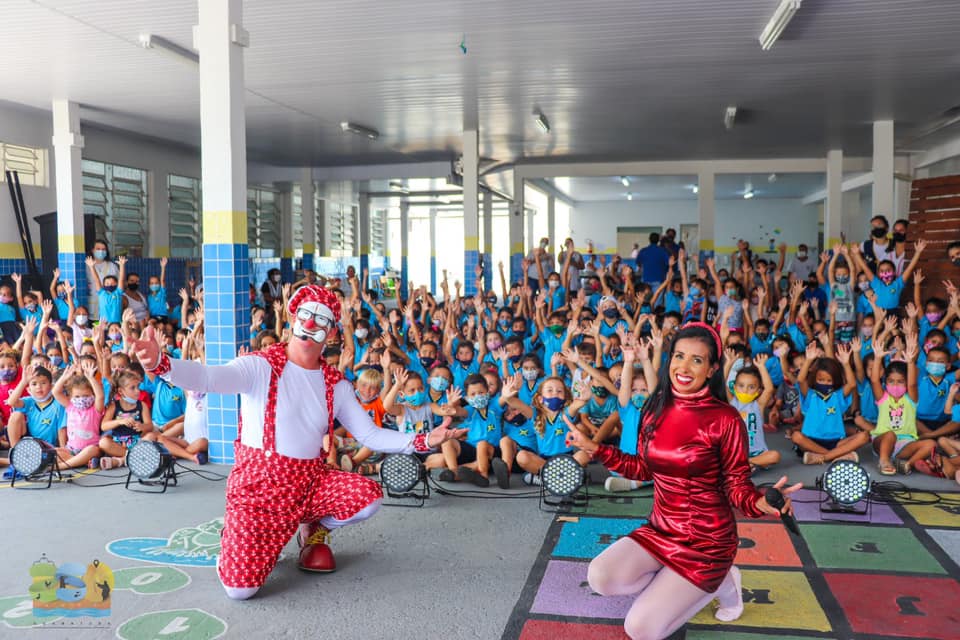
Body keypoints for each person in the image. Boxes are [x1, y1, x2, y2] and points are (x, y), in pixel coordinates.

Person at [130, 285, 466, 600]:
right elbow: (208, 377)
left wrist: (423, 440)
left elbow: (370, 435)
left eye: (321, 319)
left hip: (308, 484)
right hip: (258, 491)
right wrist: (163, 364)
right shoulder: (259, 366)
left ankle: (312, 527)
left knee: (367, 498)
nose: (310, 323)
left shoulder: (337, 385)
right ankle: (238, 537)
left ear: (332, 331)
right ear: (292, 319)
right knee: (240, 590)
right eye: (305, 314)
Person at [566, 323, 799, 640]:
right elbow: (644, 469)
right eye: (678, 356)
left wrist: (760, 502)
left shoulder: (726, 418)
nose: (684, 367)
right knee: (601, 577)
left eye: (697, 360)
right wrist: (597, 449)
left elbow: (737, 485)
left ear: (713, 368)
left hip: (708, 544)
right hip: (660, 531)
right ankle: (681, 584)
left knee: (639, 629)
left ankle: (721, 580)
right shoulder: (655, 408)